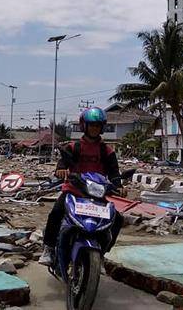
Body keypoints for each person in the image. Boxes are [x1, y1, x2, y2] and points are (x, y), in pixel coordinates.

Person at [38, 107, 124, 266]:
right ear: (84, 126)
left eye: (97, 125)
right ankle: (48, 248)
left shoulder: (107, 151)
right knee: (56, 212)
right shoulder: (74, 147)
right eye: (91, 125)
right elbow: (63, 161)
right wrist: (61, 169)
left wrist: (119, 186)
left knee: (117, 219)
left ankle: (102, 253)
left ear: (102, 127)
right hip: (73, 191)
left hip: (97, 194)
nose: (94, 128)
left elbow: (114, 172)